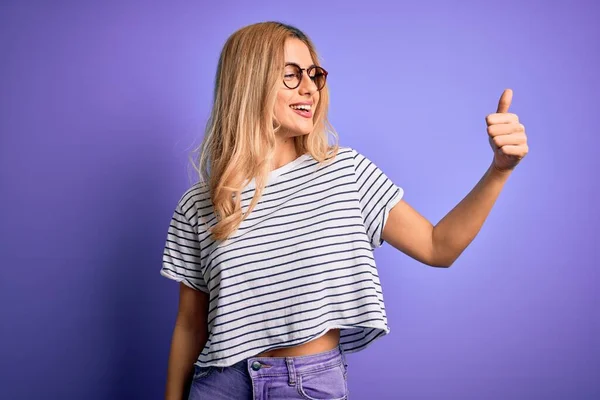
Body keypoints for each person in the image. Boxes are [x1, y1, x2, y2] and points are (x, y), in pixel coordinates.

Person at [160, 21, 528, 400]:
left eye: (313, 75)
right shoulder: (199, 204)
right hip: (219, 385)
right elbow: (190, 325)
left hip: (304, 385)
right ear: (248, 82)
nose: (309, 88)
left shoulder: (344, 172)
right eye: (290, 74)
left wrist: (499, 171)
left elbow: (439, 247)